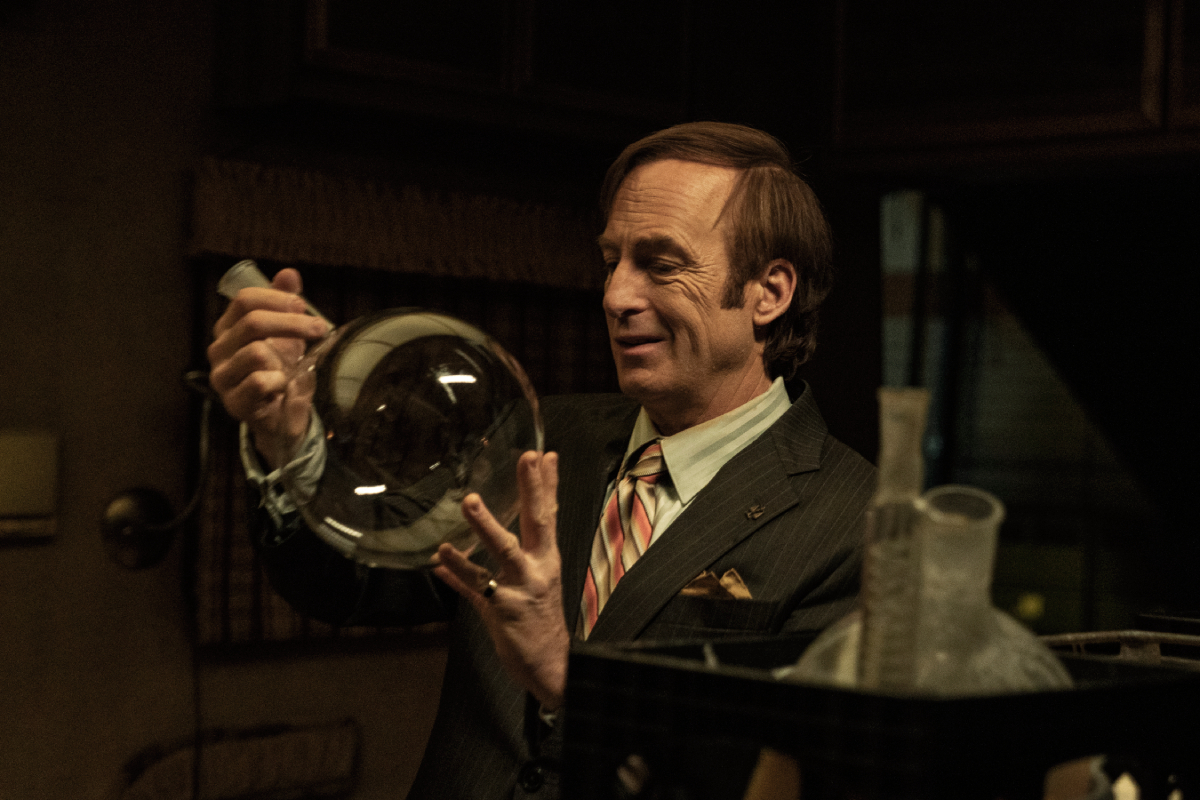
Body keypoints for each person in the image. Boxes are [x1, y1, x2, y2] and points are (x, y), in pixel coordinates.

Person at [207, 121, 876, 800]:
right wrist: (286, 442)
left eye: (661, 264)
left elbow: (789, 780)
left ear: (770, 292)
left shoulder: (856, 525)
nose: (615, 296)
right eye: (612, 261)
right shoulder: (545, 435)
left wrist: (568, 682)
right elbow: (353, 581)